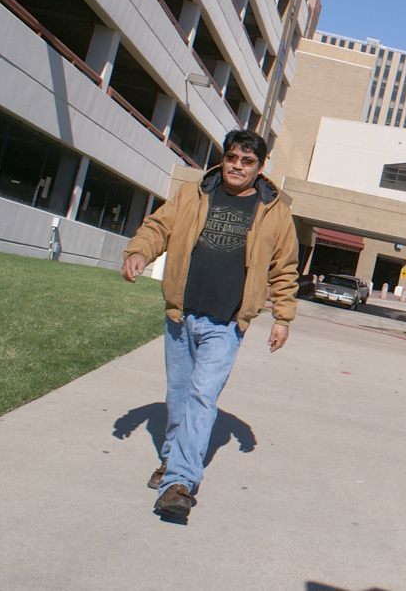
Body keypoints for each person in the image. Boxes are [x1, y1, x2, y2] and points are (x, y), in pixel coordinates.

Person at [122, 129, 298, 520]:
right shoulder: (194, 193)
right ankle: (171, 461)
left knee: (203, 397)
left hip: (226, 324)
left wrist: (282, 317)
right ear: (225, 158)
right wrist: (138, 251)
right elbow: (158, 227)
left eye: (247, 161)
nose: (238, 166)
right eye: (232, 158)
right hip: (181, 315)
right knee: (179, 397)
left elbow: (284, 268)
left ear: (260, 166)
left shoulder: (275, 212)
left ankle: (180, 482)